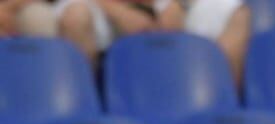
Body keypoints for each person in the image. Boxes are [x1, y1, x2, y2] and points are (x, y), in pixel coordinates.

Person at [55, 0, 251, 83]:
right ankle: (88, 106)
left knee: (232, 10)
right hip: (106, 7)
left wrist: (171, 4)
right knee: (75, 17)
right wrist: (120, 12)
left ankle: (219, 103)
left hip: (169, 6)